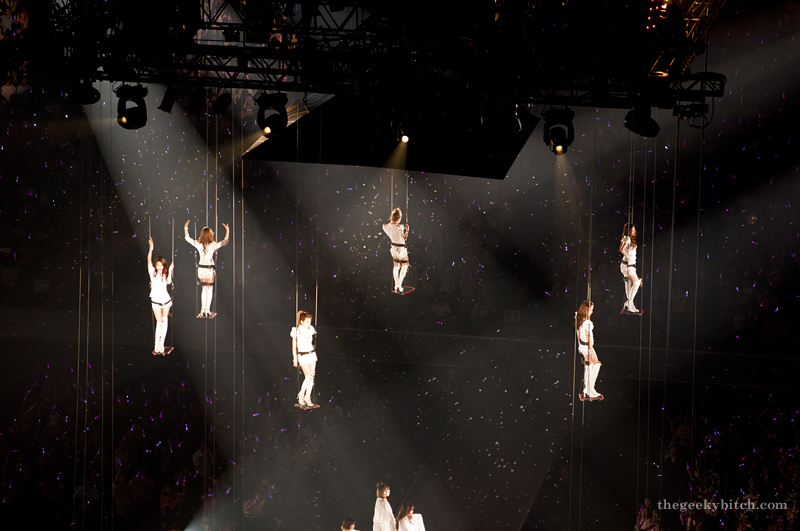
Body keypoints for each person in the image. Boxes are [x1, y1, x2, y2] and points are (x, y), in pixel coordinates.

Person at [184, 220, 229, 317]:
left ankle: (203, 310)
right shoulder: (213, 245)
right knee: (209, 289)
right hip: (209, 270)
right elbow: (225, 241)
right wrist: (227, 230)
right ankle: (207, 310)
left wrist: (186, 227)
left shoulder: (199, 244)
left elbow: (187, 238)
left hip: (202, 270)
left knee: (204, 289)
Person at [148, 237, 174, 354]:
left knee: (164, 321)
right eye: (158, 265)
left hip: (165, 299)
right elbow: (148, 259)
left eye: (161, 265)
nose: (159, 267)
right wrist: (151, 248)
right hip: (156, 300)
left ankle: (161, 345)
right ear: (155, 265)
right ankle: (157, 345)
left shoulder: (165, 274)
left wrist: (170, 270)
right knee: (159, 322)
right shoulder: (152, 272)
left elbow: (168, 282)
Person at [292, 310, 319, 409]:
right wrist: (295, 359)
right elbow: (294, 346)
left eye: (310, 322)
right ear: (302, 321)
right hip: (302, 355)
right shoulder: (296, 330)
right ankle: (301, 396)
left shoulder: (310, 329)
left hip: (311, 354)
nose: (309, 324)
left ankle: (307, 398)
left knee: (312, 377)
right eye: (307, 322)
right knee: (308, 377)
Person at [575, 300, 602, 400]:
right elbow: (588, 337)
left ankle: (588, 389)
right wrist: (591, 351)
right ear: (586, 310)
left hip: (583, 346)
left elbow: (578, 333)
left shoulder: (579, 318)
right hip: (587, 347)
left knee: (589, 366)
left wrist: (579, 346)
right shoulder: (587, 322)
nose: (592, 312)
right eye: (591, 310)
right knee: (596, 364)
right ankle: (590, 389)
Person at [382, 208, 409, 293]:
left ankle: (396, 285)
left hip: (394, 249)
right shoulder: (399, 227)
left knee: (396, 266)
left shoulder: (386, 227)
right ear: (399, 218)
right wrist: (407, 231)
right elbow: (404, 238)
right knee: (404, 266)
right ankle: (399, 285)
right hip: (401, 249)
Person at [619, 223, 642, 313]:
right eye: (632, 230)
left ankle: (630, 304)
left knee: (629, 284)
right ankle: (629, 302)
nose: (634, 232)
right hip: (628, 266)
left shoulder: (626, 238)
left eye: (634, 230)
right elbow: (622, 249)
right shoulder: (628, 238)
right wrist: (627, 255)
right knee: (636, 282)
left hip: (628, 266)